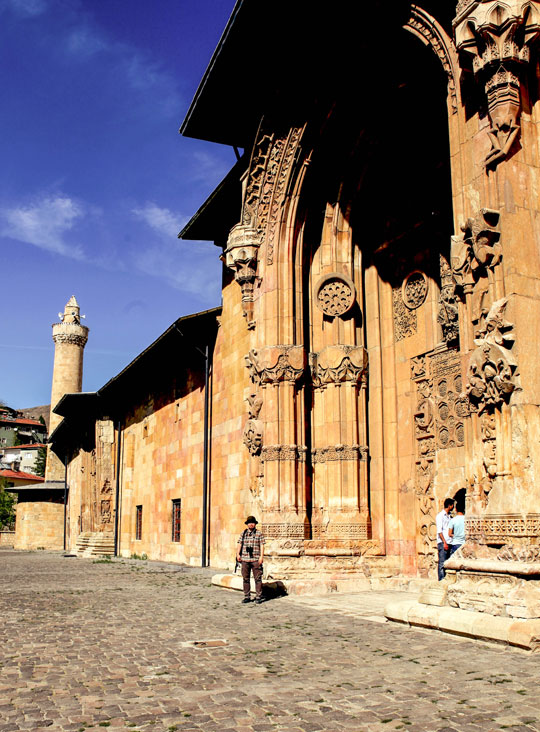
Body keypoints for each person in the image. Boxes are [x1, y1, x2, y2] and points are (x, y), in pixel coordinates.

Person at [236, 515, 265, 604]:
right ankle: (247, 596)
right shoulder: (243, 533)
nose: (251, 524)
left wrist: (261, 557)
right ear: (247, 524)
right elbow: (239, 543)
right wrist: (237, 554)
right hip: (245, 559)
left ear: (255, 524)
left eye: (252, 523)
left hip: (255, 559)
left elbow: (262, 545)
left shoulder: (259, 533)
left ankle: (258, 596)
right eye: (249, 523)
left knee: (258, 578)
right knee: (246, 578)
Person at [436, 498, 454, 580]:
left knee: (448, 563)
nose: (453, 507)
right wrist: (444, 542)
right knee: (442, 563)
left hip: (450, 541)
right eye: (452, 505)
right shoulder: (440, 516)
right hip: (443, 542)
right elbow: (439, 531)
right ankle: (441, 580)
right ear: (449, 505)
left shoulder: (450, 516)